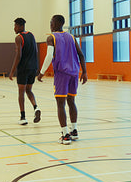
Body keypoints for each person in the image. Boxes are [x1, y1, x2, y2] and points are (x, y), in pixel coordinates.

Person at [38, 15, 87, 145]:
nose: (50, 24)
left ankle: (65, 134)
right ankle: (74, 130)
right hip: (74, 73)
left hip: (62, 74)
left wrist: (41, 72)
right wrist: (85, 72)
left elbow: (49, 55)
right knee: (71, 101)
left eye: (51, 22)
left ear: (58, 23)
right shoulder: (71, 37)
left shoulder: (51, 37)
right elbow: (81, 55)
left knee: (61, 103)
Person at [8, 18, 41, 125]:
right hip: (33, 67)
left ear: (20, 26)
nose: (14, 28)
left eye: (15, 26)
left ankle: (23, 117)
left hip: (23, 68)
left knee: (21, 92)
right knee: (29, 90)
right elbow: (36, 51)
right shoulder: (31, 35)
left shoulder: (19, 38)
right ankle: (36, 108)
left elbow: (19, 56)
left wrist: (12, 71)